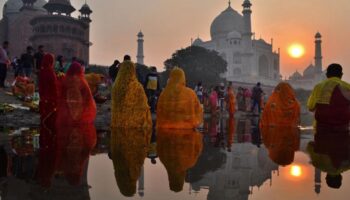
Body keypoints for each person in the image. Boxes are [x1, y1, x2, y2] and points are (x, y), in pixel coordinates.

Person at [111, 59, 152, 128]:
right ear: (133, 70)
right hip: (133, 123)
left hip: (119, 122)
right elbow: (142, 105)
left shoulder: (116, 85)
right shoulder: (137, 86)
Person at [39, 53, 58, 125]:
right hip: (50, 97)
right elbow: (54, 85)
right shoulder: (50, 71)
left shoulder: (42, 70)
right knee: (50, 119)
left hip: (43, 96)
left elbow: (41, 84)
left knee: (44, 116)